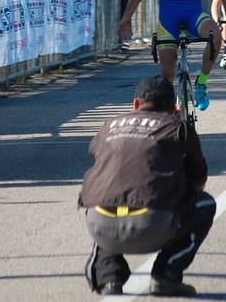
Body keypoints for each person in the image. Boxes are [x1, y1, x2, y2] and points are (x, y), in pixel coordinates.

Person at [80, 75, 216, 297]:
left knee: (104, 192)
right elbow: (198, 179)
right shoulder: (178, 127)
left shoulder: (108, 126)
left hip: (100, 225)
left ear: (135, 104)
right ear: (175, 108)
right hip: (152, 226)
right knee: (205, 203)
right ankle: (166, 273)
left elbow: (98, 160)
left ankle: (108, 276)